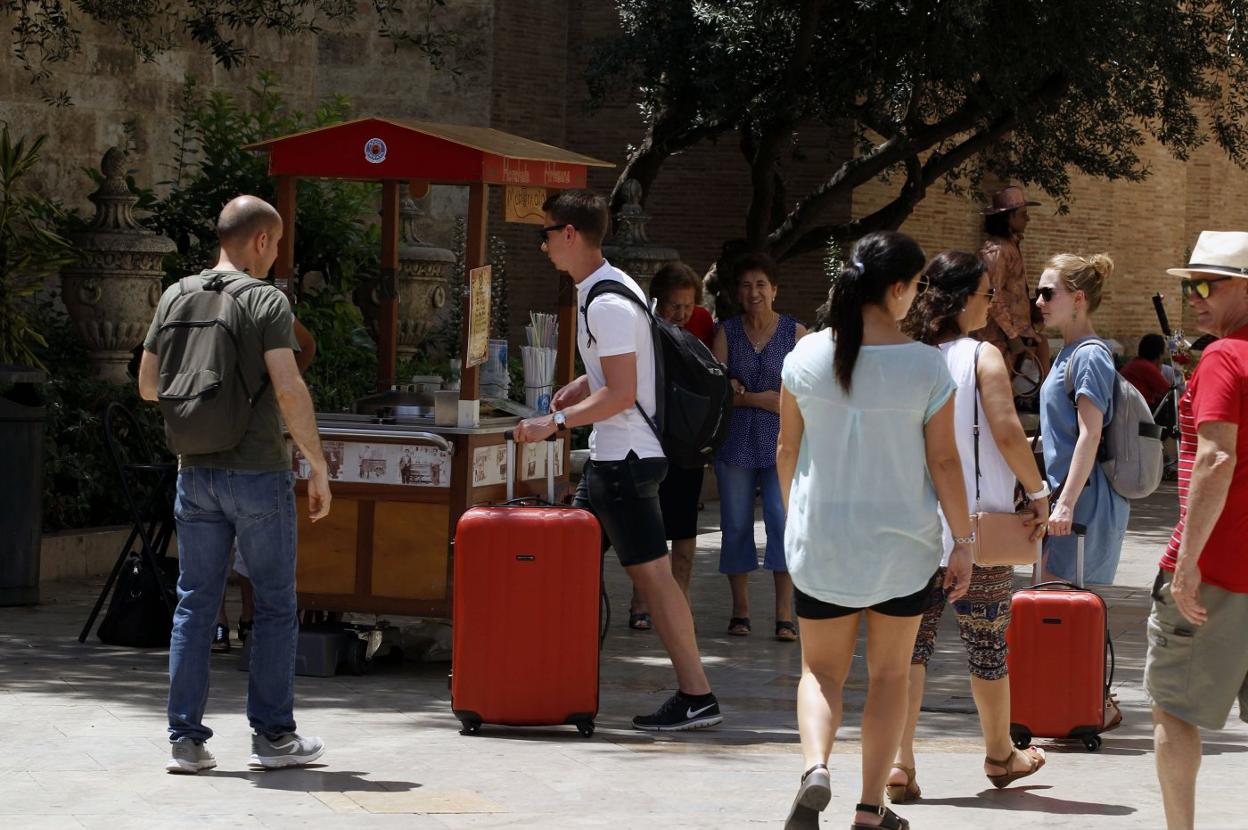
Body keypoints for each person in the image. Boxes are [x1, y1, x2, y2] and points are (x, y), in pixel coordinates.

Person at [776, 230, 974, 830]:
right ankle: (869, 809)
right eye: (916, 287)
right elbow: (943, 462)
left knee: (820, 672)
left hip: (824, 543)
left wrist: (797, 519)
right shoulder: (924, 365)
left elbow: (788, 448)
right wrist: (964, 541)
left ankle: (816, 768)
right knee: (888, 675)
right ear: (896, 288)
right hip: (902, 548)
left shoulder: (805, 355)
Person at [513, 189, 721, 732]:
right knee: (573, 569)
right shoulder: (612, 287)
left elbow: (624, 392)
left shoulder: (604, 301)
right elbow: (620, 373)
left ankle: (696, 694)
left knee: (652, 581)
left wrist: (552, 423)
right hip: (617, 460)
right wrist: (580, 385)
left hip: (624, 461)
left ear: (569, 235)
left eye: (545, 234)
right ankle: (551, 679)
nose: (542, 246)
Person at [139, 195, 332, 774]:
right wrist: (317, 464)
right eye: (275, 247)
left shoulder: (176, 294)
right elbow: (289, 387)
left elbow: (148, 386)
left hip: (193, 471)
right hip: (256, 473)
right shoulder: (265, 300)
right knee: (274, 604)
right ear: (262, 241)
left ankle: (186, 742)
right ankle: (273, 738)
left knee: (195, 603)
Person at [888, 251, 1051, 803]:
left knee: (911, 648)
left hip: (911, 528)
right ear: (961, 298)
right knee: (987, 642)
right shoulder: (983, 355)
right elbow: (1006, 431)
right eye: (987, 292)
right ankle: (1001, 754)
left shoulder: (906, 356)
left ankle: (900, 764)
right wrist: (1040, 491)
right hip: (975, 530)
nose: (994, 302)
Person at [1147, 231, 1248, 830]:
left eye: (1207, 284)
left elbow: (1215, 458)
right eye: (1190, 285)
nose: (1195, 296)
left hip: (1219, 568)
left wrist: (1187, 561)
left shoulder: (1223, 356)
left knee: (1172, 708)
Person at [710, 253, 805, 641]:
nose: (754, 292)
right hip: (735, 442)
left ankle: (785, 614)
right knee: (734, 524)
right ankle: (741, 611)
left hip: (783, 444)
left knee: (783, 524)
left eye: (761, 284)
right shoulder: (727, 332)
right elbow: (716, 390)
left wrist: (754, 395)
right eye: (747, 285)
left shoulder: (796, 333)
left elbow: (805, 393)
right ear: (738, 292)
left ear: (775, 289)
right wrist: (759, 399)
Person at [213, 317, 316, 653]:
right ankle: (225, 621)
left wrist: (273, 383)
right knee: (225, 547)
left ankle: (244, 617)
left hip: (232, 443)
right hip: (215, 443)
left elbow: (307, 346)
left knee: (243, 545)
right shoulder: (200, 296)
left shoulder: (265, 302)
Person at [627, 262, 713, 629]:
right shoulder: (645, 327)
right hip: (650, 440)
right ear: (658, 302)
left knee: (684, 528)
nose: (681, 314)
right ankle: (640, 602)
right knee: (651, 527)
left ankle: (679, 606)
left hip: (688, 442)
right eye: (674, 306)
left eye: (687, 306)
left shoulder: (704, 325)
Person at [1035, 253, 1129, 584]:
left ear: (1078, 298)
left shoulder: (1089, 356)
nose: (1039, 301)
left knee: (1062, 613)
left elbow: (1090, 434)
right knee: (1052, 611)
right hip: (1070, 500)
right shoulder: (1070, 352)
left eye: (1048, 293)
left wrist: (1066, 505)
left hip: (1083, 503)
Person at [979, 186, 1051, 384]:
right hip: (999, 337)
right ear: (1009, 218)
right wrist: (1012, 337)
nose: (1027, 219)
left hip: (1015, 335)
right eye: (1023, 214)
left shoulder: (1010, 247)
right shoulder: (996, 251)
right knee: (995, 392)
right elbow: (991, 296)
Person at [1122, 333, 1174, 411]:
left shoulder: (1135, 363)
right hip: (1139, 412)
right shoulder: (1147, 368)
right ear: (1159, 354)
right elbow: (1170, 392)